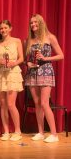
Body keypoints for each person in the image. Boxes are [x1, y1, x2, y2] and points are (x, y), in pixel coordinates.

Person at [24, 14, 64, 143]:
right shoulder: (29, 40)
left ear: (41, 23)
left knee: (44, 103)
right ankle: (40, 132)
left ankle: (54, 134)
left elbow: (61, 55)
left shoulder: (50, 37)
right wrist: (28, 63)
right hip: (32, 73)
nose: (33, 25)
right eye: (31, 23)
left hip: (45, 71)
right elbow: (27, 59)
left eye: (36, 22)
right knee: (37, 104)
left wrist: (46, 58)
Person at [0, 20, 24, 141]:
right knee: (3, 104)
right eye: (1, 28)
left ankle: (17, 131)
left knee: (11, 104)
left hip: (12, 73)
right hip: (0, 73)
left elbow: (21, 58)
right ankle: (5, 131)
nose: (3, 30)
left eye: (5, 28)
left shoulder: (17, 41)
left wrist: (13, 63)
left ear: (10, 28)